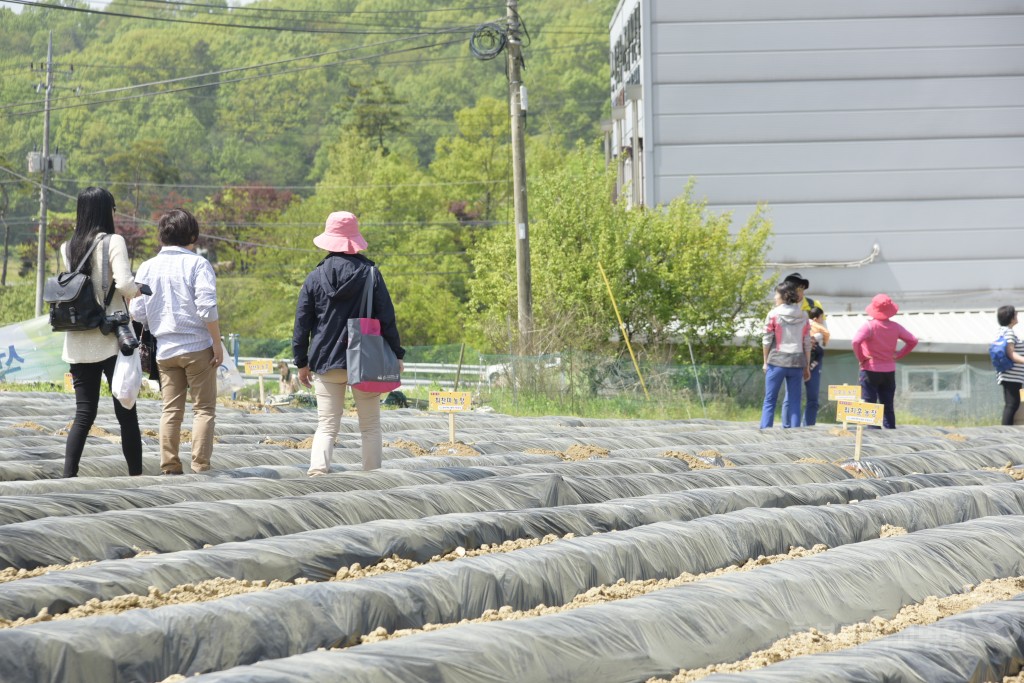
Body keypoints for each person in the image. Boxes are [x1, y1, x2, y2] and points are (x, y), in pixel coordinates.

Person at [292, 211, 405, 474]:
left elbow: (301, 324)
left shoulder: (314, 277)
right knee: (370, 426)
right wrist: (397, 353)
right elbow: (387, 318)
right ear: (354, 240)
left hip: (325, 361)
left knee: (327, 425)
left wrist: (301, 362)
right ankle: (371, 477)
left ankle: (318, 471)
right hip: (364, 360)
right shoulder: (371, 275)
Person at [129, 209, 222, 474]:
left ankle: (169, 465)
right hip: (197, 347)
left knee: (170, 410)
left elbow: (138, 313)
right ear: (192, 235)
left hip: (165, 350)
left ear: (162, 235)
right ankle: (200, 466)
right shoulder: (197, 264)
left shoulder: (147, 267)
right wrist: (217, 343)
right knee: (203, 409)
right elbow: (207, 308)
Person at [60, 187, 143, 478]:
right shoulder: (113, 242)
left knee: (84, 414)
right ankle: (135, 477)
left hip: (78, 339)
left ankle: (68, 476)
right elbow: (124, 285)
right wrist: (138, 288)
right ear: (105, 211)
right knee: (125, 411)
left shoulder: (68, 246)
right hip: (111, 339)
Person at [851, 294, 917, 429]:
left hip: (870, 369)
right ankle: (890, 438)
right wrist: (898, 354)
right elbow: (913, 340)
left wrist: (862, 357)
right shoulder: (896, 327)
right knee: (887, 406)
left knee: (870, 405)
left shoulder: (869, 326)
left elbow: (856, 341)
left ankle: (874, 439)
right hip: (888, 371)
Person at [760, 282, 811, 429]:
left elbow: (766, 339)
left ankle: (765, 434)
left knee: (770, 400)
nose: (775, 297)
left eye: (776, 294)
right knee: (795, 401)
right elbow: (806, 342)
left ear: (783, 296)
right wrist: (806, 365)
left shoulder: (773, 314)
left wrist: (765, 361)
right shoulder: (804, 315)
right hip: (797, 363)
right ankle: (795, 437)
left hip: (776, 361)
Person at [781, 272, 827, 426]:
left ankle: (809, 428)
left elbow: (824, 329)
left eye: (801, 288)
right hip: (793, 355)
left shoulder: (815, 305)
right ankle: (787, 428)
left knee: (812, 396)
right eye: (796, 288)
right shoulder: (782, 307)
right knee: (791, 395)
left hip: (813, 355)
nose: (799, 291)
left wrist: (815, 338)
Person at [994, 305, 1024, 425]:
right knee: (1012, 404)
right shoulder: (1009, 333)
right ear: (1011, 318)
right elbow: (1011, 353)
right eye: (1015, 314)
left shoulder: (1003, 331)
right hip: (1012, 374)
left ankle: (1006, 429)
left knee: (1011, 404)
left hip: (1007, 373)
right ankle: (1005, 430)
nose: (1017, 316)